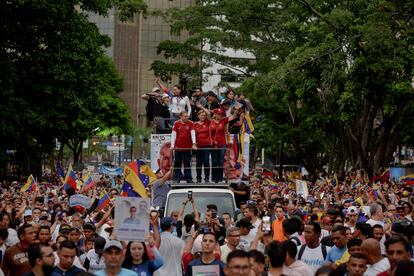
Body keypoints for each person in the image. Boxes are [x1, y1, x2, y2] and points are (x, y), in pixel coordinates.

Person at [171, 111, 196, 183]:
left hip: (187, 147)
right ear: (181, 116)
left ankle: (188, 178)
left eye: (187, 116)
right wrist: (172, 146)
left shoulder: (191, 123)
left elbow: (193, 133)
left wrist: (194, 143)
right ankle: (177, 177)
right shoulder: (176, 123)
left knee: (187, 163)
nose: (186, 117)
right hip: (178, 147)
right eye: (185, 116)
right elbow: (173, 135)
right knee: (177, 162)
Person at [193, 109, 212, 183]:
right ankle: (198, 178)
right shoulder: (195, 124)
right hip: (198, 146)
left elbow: (209, 114)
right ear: (198, 116)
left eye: (204, 115)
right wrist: (193, 144)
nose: (203, 117)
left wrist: (201, 107)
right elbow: (193, 135)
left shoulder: (208, 122)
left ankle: (207, 178)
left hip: (207, 145)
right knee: (198, 162)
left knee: (206, 161)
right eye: (201, 115)